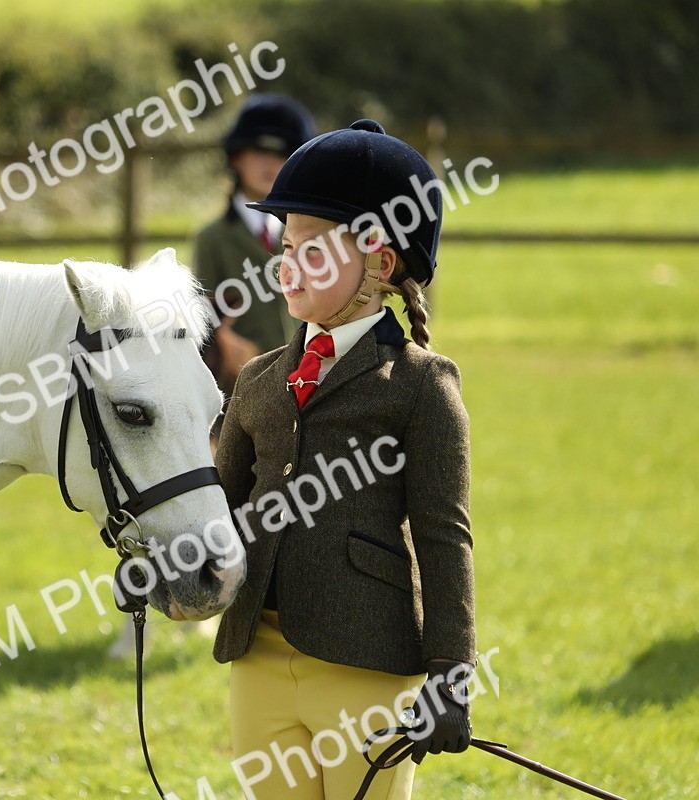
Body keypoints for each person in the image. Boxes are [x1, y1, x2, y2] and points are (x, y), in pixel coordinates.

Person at [212, 119, 476, 799]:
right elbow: (219, 508)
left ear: (380, 265)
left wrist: (451, 670)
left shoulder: (422, 384)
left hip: (368, 659)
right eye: (287, 246)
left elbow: (444, 535)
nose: (288, 266)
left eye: (313, 252)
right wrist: (162, 568)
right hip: (258, 661)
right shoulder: (258, 380)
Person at [193, 93, 317, 407]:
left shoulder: (312, 237)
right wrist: (226, 345)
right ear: (236, 158)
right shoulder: (212, 238)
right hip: (239, 389)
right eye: (258, 152)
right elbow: (205, 317)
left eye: (282, 155)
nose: (269, 163)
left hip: (308, 382)